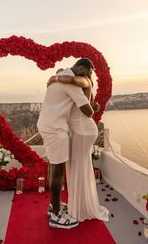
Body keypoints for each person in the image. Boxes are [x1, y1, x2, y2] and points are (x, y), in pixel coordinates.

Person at [47, 65, 109, 222]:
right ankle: (79, 205)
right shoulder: (76, 89)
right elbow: (85, 108)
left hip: (83, 131)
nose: (90, 75)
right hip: (80, 130)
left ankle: (80, 208)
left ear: (82, 68)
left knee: (78, 168)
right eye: (90, 72)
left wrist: (55, 78)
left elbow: (75, 80)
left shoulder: (84, 80)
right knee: (77, 168)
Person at [37, 58, 94, 229]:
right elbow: (87, 111)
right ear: (81, 68)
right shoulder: (70, 82)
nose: (89, 77)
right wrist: (91, 105)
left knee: (53, 168)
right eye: (89, 73)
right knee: (57, 171)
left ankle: (53, 206)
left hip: (49, 125)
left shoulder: (61, 75)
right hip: (56, 129)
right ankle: (56, 216)